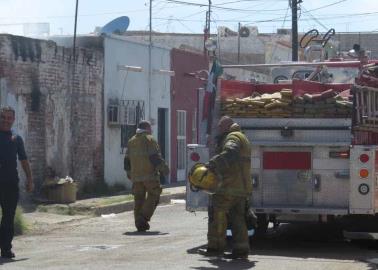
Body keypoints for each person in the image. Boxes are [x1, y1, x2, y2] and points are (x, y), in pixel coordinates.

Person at [206, 115, 252, 259]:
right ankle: (241, 249)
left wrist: (213, 164)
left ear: (227, 126)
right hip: (241, 188)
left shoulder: (232, 138)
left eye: (220, 127)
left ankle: (216, 247)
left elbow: (231, 153)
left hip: (228, 187)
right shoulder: (242, 137)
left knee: (218, 215)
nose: (218, 130)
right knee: (238, 219)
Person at [0, 106, 33, 259]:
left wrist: (30, 179)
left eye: (9, 118)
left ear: (13, 119)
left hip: (10, 183)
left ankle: (6, 249)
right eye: (3, 117)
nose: (6, 120)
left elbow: (24, 160)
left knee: (8, 217)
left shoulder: (16, 138)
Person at [124, 120, 169, 232]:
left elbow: (126, 160)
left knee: (138, 198)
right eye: (150, 128)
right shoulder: (149, 140)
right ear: (147, 128)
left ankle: (139, 224)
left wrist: (129, 173)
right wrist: (165, 169)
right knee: (155, 194)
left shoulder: (131, 141)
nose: (152, 130)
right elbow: (155, 157)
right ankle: (142, 218)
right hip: (149, 176)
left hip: (136, 177)